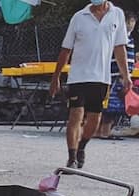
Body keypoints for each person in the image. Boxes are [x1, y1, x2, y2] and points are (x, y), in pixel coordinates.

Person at [50, 0, 132, 169]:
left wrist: (126, 76)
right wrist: (56, 76)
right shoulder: (79, 17)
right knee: (75, 116)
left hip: (101, 77)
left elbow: (119, 48)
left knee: (95, 119)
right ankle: (71, 157)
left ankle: (81, 147)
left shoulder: (116, 14)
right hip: (78, 76)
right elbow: (66, 49)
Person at [98, 11, 136, 139]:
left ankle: (106, 130)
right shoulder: (117, 38)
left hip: (124, 77)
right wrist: (122, 75)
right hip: (115, 76)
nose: (130, 24)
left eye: (132, 22)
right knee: (110, 107)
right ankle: (104, 131)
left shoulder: (130, 39)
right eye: (128, 22)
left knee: (118, 107)